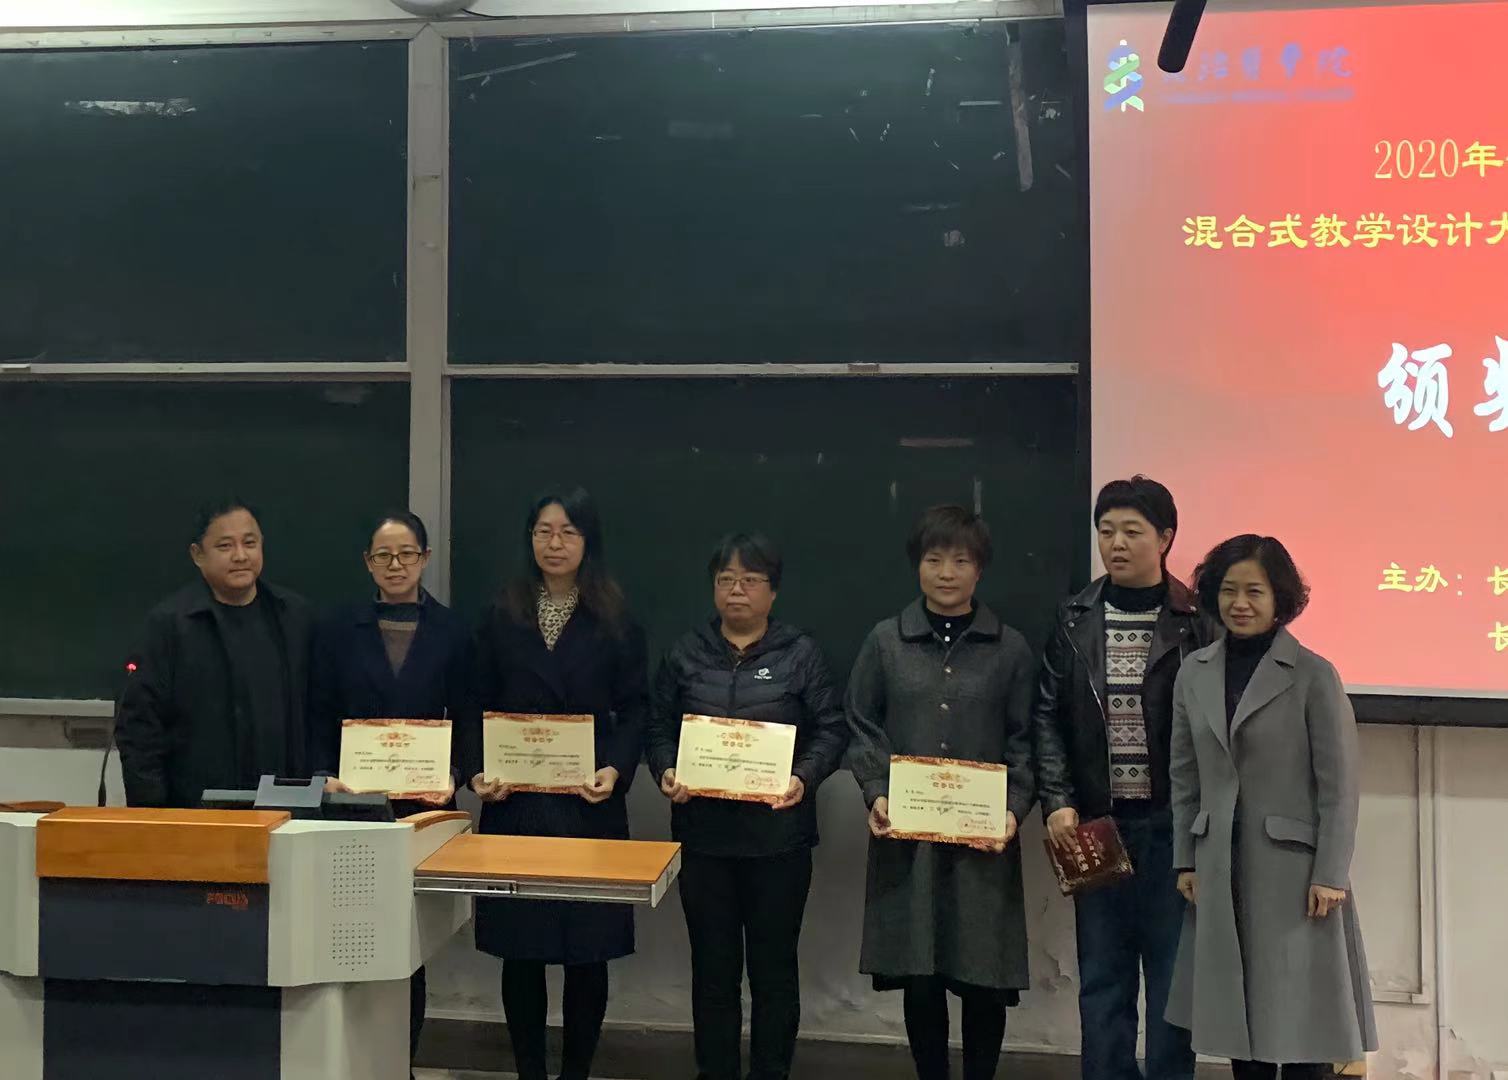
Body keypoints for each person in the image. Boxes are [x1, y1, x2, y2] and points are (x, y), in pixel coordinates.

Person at [1166, 535, 1378, 1080]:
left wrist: (1331, 872)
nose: (1240, 603)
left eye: (1254, 591)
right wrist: (1186, 858)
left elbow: (1339, 785)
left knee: (1304, 1018)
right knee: (1239, 1015)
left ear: (1279, 598)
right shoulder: (1194, 672)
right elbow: (1184, 775)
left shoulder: (1313, 674)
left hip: (1295, 873)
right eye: (1229, 590)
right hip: (1220, 864)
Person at [1032, 477, 1215, 1080]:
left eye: (1132, 531)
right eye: (1106, 531)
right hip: (1095, 825)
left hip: (1171, 827)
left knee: (1172, 980)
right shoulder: (1074, 618)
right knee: (1102, 978)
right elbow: (1047, 716)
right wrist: (1057, 800)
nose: (1115, 543)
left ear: (1165, 538)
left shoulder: (1196, 621)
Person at [647, 533, 849, 1080]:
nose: (736, 590)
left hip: (778, 843)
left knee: (773, 972)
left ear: (772, 591)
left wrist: (803, 778)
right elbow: (658, 727)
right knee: (712, 973)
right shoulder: (686, 651)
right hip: (704, 840)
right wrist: (666, 769)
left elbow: (831, 730)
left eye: (750, 580)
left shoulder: (800, 653)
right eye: (726, 580)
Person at [845, 505, 1037, 1080]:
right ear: (917, 566)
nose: (946, 573)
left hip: (984, 839)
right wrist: (876, 791)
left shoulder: (1010, 649)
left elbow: (1026, 738)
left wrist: (1014, 809)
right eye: (934, 560)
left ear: (981, 569)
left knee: (983, 976)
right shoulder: (885, 641)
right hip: (910, 835)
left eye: (961, 561)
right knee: (921, 975)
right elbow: (861, 724)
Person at [466, 488, 648, 1080]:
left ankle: (575, 1074)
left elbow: (636, 707)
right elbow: (473, 701)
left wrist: (615, 769)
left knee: (586, 953)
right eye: (543, 531)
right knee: (522, 952)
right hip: (516, 804)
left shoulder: (616, 618)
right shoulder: (501, 613)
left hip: (588, 805)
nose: (555, 543)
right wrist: (476, 769)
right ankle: (529, 1073)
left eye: (568, 532)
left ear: (588, 542)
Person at [307, 510, 477, 1080]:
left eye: (407, 554)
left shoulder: (453, 631)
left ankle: (401, 1062)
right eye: (383, 555)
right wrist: (323, 776)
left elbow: (469, 718)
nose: (395, 564)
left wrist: (457, 773)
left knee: (406, 947)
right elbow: (318, 715)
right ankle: (351, 1061)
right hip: (350, 809)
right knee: (348, 938)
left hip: (421, 815)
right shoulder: (337, 629)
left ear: (425, 559)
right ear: (368, 563)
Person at [116, 499, 315, 809]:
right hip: (197, 813)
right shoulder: (169, 626)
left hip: (285, 809)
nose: (240, 556)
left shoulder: (294, 616)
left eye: (250, 543)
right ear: (198, 555)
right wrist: (154, 817)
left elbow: (318, 711)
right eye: (225, 546)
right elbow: (139, 731)